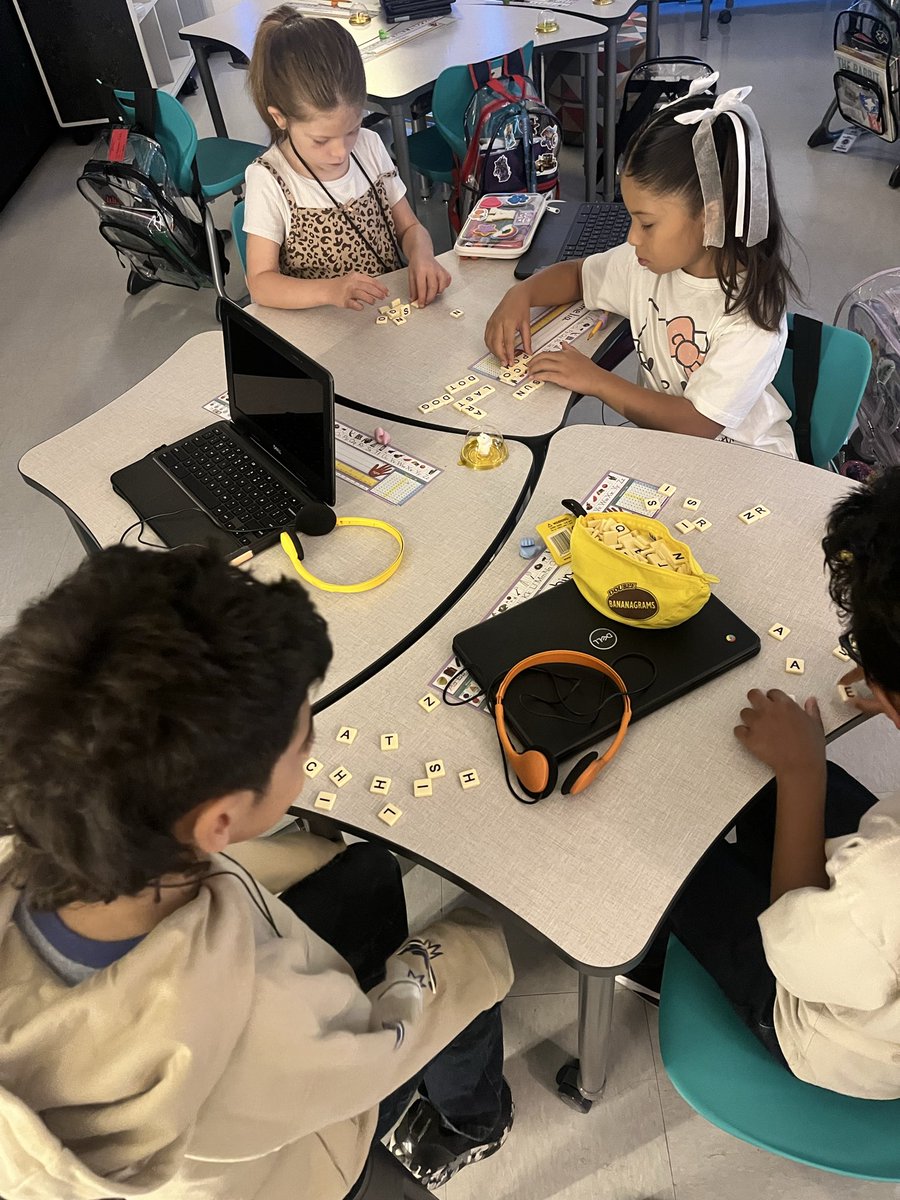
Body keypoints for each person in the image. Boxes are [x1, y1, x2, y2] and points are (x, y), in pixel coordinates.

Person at [0, 546, 514, 1199]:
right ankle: (473, 1127)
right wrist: (474, 944)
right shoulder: (255, 1020)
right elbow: (372, 1052)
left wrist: (305, 861)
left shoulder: (59, 831)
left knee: (362, 875)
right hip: (309, 1171)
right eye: (304, 744)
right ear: (219, 821)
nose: (310, 752)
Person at [626, 468, 900, 1100]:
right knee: (768, 790)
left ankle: (650, 962)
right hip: (869, 934)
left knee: (674, 865)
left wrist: (802, 774)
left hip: (822, 1024)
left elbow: (797, 952)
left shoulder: (883, 876)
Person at [485, 76, 799, 457]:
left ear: (711, 216)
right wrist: (522, 293)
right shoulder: (648, 265)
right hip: (667, 452)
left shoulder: (752, 313)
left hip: (747, 464)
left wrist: (596, 380)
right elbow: (577, 277)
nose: (633, 238)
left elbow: (697, 424)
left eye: (646, 223)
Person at [244, 7, 451, 311]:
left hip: (384, 317)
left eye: (352, 130)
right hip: (322, 330)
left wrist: (422, 253)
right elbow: (261, 283)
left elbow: (409, 228)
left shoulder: (369, 145)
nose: (341, 152)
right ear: (280, 118)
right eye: (321, 140)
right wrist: (330, 291)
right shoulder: (269, 179)